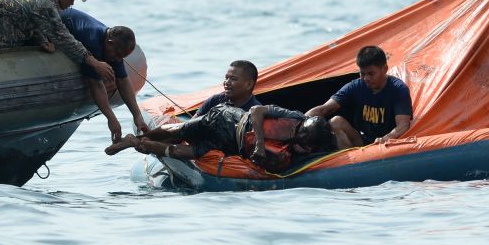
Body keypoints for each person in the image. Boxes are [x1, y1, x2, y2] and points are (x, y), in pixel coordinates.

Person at [105, 103, 335, 173]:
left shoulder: (301, 151)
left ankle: (136, 143)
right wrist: (261, 145)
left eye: (305, 138)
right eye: (303, 130)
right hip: (227, 119)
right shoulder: (294, 116)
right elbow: (256, 111)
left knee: (184, 152)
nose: (300, 135)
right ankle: (143, 136)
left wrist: (263, 158)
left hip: (227, 145)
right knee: (177, 133)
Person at [59, 7, 150, 142]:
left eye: (121, 57)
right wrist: (111, 119)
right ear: (109, 43)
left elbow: (123, 81)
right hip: (57, 20)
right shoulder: (93, 41)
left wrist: (137, 115)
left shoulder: (113, 47)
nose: (117, 59)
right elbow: (96, 84)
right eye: (117, 55)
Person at [305, 45, 413, 150]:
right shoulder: (355, 86)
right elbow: (324, 109)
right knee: (335, 121)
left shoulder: (399, 89)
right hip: (362, 142)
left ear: (384, 69)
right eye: (362, 74)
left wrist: (385, 139)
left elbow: (403, 125)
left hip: (387, 145)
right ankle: (350, 162)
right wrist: (300, 122)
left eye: (371, 74)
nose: (366, 78)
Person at [194, 60, 262, 117]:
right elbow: (188, 127)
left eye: (233, 79)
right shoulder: (214, 101)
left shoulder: (256, 113)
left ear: (249, 84)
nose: (227, 82)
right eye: (226, 78)